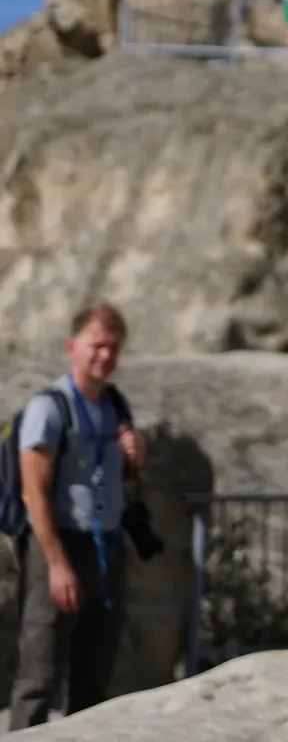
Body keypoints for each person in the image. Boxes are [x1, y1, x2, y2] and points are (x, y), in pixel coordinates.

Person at [10, 305, 147, 730]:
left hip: (105, 547)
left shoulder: (115, 407)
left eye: (114, 348)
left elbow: (117, 483)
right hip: (58, 546)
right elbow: (33, 492)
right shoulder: (50, 408)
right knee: (40, 676)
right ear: (73, 347)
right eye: (97, 345)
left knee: (95, 676)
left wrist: (134, 462)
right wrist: (56, 565)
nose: (105, 356)